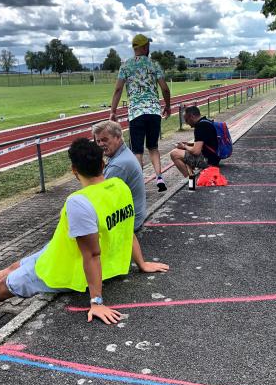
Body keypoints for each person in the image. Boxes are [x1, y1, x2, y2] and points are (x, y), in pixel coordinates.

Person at [0, 138, 165, 325]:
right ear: (103, 165)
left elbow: (92, 255)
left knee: (6, 286)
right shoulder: (120, 187)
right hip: (60, 253)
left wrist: (96, 301)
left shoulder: (80, 201)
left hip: (63, 268)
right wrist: (141, 264)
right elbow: (127, 230)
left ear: (74, 170)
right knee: (15, 266)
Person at [92, 120, 169, 273]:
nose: (100, 144)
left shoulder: (118, 166)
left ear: (118, 137)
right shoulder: (123, 154)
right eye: (98, 140)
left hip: (132, 221)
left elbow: (100, 200)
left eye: (105, 139)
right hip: (136, 213)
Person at [110, 34, 171, 192]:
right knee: (153, 147)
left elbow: (118, 89)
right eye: (148, 46)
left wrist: (113, 111)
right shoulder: (154, 64)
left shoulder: (126, 66)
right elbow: (165, 88)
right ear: (145, 47)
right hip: (153, 111)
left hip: (136, 112)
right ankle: (159, 177)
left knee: (137, 151)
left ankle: (139, 185)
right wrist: (168, 106)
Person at [170, 106, 220, 178]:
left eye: (186, 120)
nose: (187, 123)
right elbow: (205, 143)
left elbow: (196, 151)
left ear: (192, 116)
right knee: (185, 150)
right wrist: (188, 144)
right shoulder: (206, 122)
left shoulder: (200, 126)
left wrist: (184, 146)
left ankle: (190, 180)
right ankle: (191, 176)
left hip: (209, 161)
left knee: (174, 154)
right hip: (214, 157)